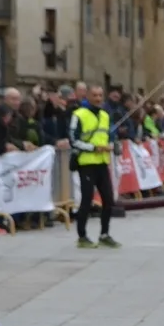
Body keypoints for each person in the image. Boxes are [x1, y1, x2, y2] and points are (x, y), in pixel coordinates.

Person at [70, 85, 121, 249]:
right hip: (86, 162)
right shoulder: (78, 114)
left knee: (108, 199)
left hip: (102, 162)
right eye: (94, 95)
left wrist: (113, 145)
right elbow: (73, 140)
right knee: (87, 199)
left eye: (100, 95)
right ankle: (82, 236)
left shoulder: (105, 115)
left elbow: (109, 135)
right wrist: (93, 148)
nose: (98, 98)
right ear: (88, 97)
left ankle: (104, 234)